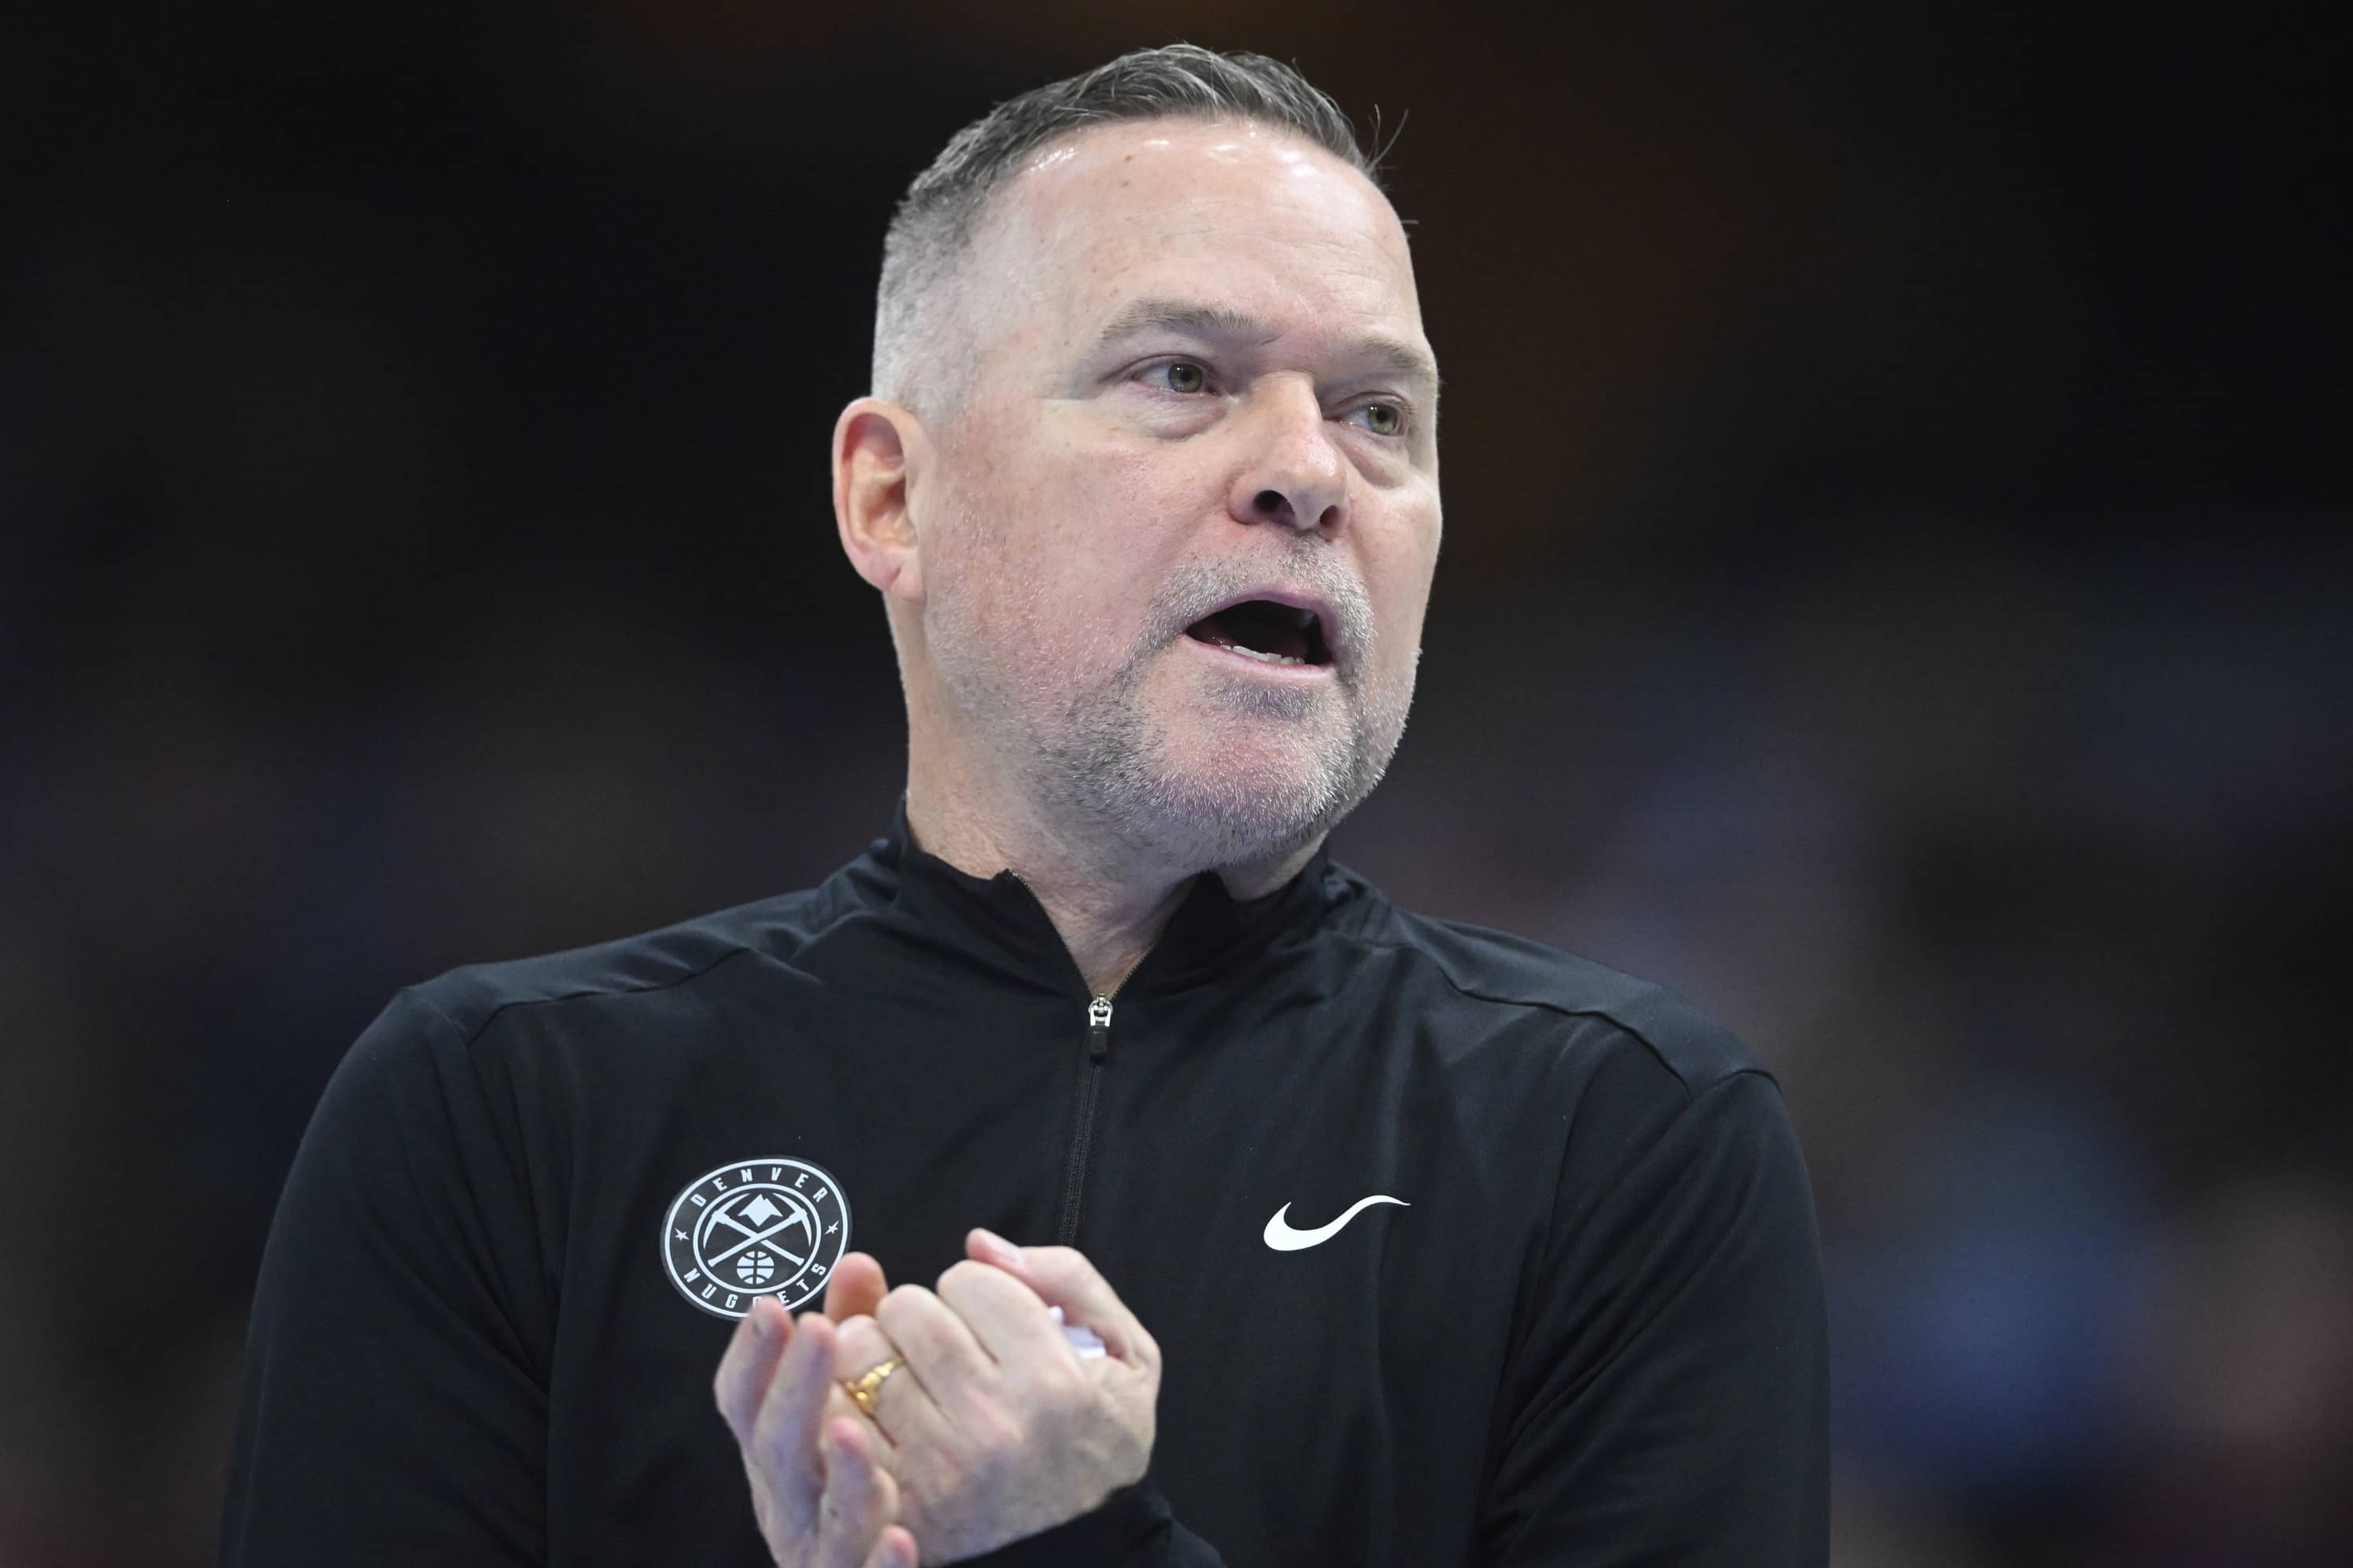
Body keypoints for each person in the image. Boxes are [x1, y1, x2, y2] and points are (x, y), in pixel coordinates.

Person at [221, 44, 1829, 1568]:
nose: (1309, 470)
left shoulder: (1617, 1139)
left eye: (1378, 411)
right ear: (891, 495)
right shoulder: (507, 1114)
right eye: (1183, 374)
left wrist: (1068, 1546)